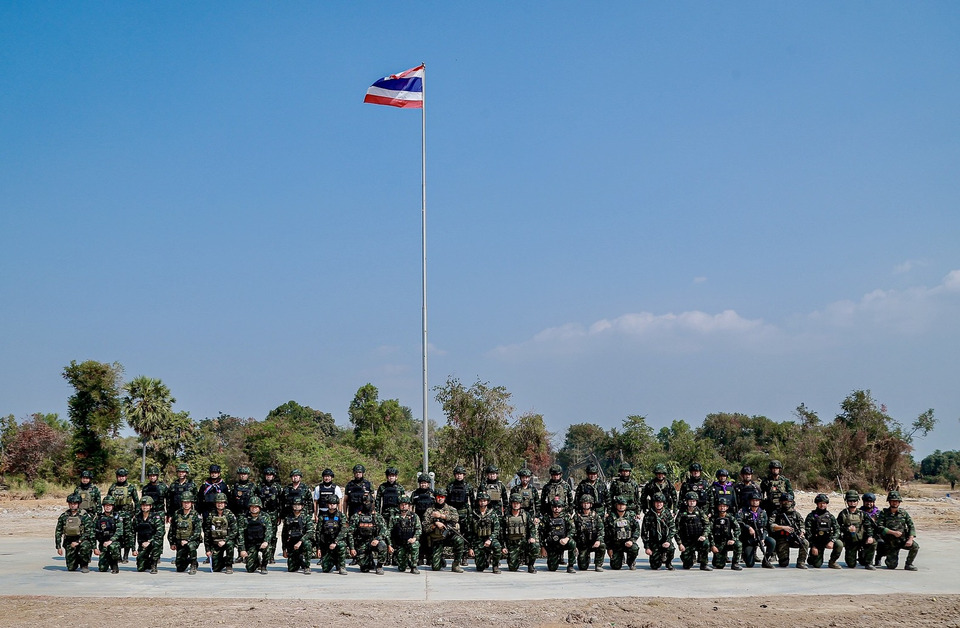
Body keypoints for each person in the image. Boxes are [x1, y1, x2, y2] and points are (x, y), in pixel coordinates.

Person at [422, 488, 464, 572]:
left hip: (449, 537)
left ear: (445, 498)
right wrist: (435, 525)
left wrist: (442, 516)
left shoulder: (451, 509)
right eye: (438, 497)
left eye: (442, 497)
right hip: (437, 539)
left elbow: (456, 518)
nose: (440, 499)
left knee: (459, 540)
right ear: (435, 498)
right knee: (435, 568)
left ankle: (456, 564)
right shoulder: (430, 510)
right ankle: (440, 559)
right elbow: (425, 527)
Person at [876, 490, 919, 571]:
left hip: (902, 540)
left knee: (915, 546)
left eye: (896, 501)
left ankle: (909, 564)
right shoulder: (884, 513)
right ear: (889, 502)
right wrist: (893, 532)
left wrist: (910, 539)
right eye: (892, 501)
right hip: (890, 543)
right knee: (891, 566)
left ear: (899, 502)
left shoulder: (903, 513)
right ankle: (883, 555)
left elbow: (911, 526)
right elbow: (879, 527)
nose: (894, 503)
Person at [348, 494, 388, 574]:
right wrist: (352, 548)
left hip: (373, 541)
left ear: (372, 503)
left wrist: (377, 539)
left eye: (367, 502)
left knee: (382, 545)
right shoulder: (356, 517)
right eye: (364, 502)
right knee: (364, 569)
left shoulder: (377, 516)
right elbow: (350, 533)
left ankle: (379, 566)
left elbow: (384, 530)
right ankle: (369, 561)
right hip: (361, 544)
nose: (365, 504)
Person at [836, 490, 876, 570]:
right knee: (851, 565)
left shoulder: (862, 514)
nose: (852, 503)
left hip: (861, 539)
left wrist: (870, 536)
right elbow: (837, 527)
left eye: (854, 501)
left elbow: (868, 526)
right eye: (850, 501)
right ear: (847, 501)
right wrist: (847, 529)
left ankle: (868, 563)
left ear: (857, 502)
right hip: (850, 541)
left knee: (873, 542)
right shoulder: (843, 514)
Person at [106, 467, 139, 564]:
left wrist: (136, 514)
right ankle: (118, 555)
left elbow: (136, 501)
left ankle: (126, 555)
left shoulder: (131, 487)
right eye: (119, 476)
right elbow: (108, 501)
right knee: (117, 534)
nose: (121, 478)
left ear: (126, 476)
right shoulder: (113, 487)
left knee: (128, 534)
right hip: (116, 514)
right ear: (117, 477)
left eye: (123, 476)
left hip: (128, 514)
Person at [735, 489, 775, 568]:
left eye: (757, 500)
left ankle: (766, 560)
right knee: (750, 564)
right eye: (753, 500)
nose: (755, 502)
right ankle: (746, 554)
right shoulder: (743, 511)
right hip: (748, 539)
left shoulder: (763, 513)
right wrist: (748, 527)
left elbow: (765, 528)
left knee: (772, 541)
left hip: (759, 536)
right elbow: (738, 521)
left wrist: (763, 538)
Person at [501, 493, 539, 573]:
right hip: (512, 544)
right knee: (513, 568)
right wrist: (503, 546)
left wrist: (532, 537)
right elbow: (502, 532)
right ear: (511, 503)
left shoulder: (526, 515)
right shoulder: (506, 516)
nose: (515, 505)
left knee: (535, 546)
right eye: (514, 503)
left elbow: (531, 528)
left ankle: (531, 565)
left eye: (517, 503)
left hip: (524, 542)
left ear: (520, 504)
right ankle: (518, 559)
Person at [55, 493, 94, 573]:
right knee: (71, 568)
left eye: (75, 503)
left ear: (78, 504)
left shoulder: (84, 516)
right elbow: (58, 531)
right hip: (69, 541)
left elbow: (88, 531)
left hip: (82, 540)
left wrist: (78, 541)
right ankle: (76, 560)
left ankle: (84, 564)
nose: (72, 505)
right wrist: (58, 547)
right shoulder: (64, 516)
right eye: (71, 503)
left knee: (85, 547)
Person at [769, 492, 809, 569]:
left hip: (794, 537)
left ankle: (801, 562)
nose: (787, 503)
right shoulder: (776, 513)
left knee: (805, 542)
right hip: (782, 538)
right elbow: (771, 525)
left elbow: (802, 525)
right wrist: (783, 527)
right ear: (781, 502)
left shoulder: (796, 514)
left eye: (789, 501)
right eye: (785, 501)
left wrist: (802, 532)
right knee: (784, 563)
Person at [675, 491, 712, 570]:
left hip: (698, 539)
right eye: (690, 501)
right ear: (687, 501)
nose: (692, 503)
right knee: (687, 566)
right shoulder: (681, 513)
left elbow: (707, 525)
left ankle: (704, 564)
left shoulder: (700, 512)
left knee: (706, 543)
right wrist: (680, 543)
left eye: (694, 501)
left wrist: (704, 535)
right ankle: (687, 556)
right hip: (687, 541)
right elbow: (676, 529)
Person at [804, 493, 843, 569]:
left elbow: (837, 529)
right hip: (817, 541)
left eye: (824, 503)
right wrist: (813, 546)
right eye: (820, 503)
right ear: (817, 504)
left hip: (828, 539)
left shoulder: (830, 516)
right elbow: (808, 532)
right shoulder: (811, 516)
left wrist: (832, 541)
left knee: (839, 544)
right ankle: (812, 556)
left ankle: (832, 562)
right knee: (817, 565)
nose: (822, 505)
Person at [539, 497, 577, 573]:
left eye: (559, 507)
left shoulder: (566, 517)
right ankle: (556, 558)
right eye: (555, 506)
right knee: (552, 568)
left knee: (572, 543)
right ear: (551, 507)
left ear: (562, 508)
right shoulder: (546, 518)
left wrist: (567, 538)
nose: (557, 509)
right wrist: (543, 547)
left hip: (563, 542)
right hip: (552, 544)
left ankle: (571, 565)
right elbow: (541, 533)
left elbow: (572, 529)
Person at [168, 492, 202, 574]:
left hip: (192, 540)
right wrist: (172, 543)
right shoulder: (177, 514)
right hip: (180, 541)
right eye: (184, 502)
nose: (186, 504)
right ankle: (189, 560)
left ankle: (193, 564)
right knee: (180, 568)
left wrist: (188, 540)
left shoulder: (195, 515)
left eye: (188, 502)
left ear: (191, 503)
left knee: (191, 546)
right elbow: (172, 529)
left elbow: (197, 531)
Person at [204, 493, 238, 573]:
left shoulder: (230, 514)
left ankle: (229, 565)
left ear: (225, 503)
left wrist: (225, 540)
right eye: (218, 502)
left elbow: (235, 530)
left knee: (230, 544)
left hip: (226, 540)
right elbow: (207, 533)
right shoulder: (211, 515)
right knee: (215, 568)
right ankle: (223, 561)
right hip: (215, 542)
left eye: (222, 502)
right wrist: (208, 549)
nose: (220, 504)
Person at [640, 492, 676, 570]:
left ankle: (668, 562)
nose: (658, 504)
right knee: (655, 566)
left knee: (671, 548)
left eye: (660, 502)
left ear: (663, 503)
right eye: (656, 502)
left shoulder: (667, 514)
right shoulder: (649, 515)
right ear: (653, 503)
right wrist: (647, 547)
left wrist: (668, 541)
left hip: (665, 540)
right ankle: (658, 557)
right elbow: (644, 533)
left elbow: (673, 529)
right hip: (654, 542)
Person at [238, 496, 273, 574]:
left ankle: (264, 566)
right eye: (252, 507)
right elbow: (240, 534)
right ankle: (256, 560)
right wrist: (242, 549)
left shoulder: (265, 516)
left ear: (260, 507)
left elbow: (269, 530)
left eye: (256, 507)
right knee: (250, 569)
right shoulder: (244, 518)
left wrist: (266, 541)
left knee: (268, 548)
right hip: (251, 543)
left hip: (262, 542)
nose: (254, 509)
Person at [316, 494, 349, 575]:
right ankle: (333, 560)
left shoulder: (341, 516)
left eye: (334, 504)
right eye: (330, 504)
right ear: (327, 504)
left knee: (341, 545)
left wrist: (335, 542)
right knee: (325, 569)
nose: (332, 505)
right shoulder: (322, 516)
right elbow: (318, 532)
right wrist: (318, 548)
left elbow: (343, 530)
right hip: (326, 543)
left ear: (337, 505)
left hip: (337, 542)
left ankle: (341, 566)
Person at [468, 492, 501, 573]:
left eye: (484, 500)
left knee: (497, 546)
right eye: (480, 501)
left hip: (489, 538)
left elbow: (497, 529)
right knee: (480, 568)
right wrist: (470, 547)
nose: (482, 502)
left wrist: (490, 539)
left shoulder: (492, 514)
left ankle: (495, 566)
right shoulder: (473, 514)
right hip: (478, 540)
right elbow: (470, 532)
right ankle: (486, 558)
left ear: (488, 502)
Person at [388, 495, 422, 574]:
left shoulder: (414, 516)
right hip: (400, 544)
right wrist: (390, 545)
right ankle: (406, 562)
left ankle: (413, 566)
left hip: (410, 541)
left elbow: (418, 529)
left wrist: (414, 538)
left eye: (405, 504)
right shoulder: (394, 517)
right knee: (401, 568)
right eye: (402, 504)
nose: (403, 506)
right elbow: (389, 532)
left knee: (415, 545)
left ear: (409, 506)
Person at [281, 496, 315, 574]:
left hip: (303, 542)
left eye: (299, 505)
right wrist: (284, 549)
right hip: (292, 542)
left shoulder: (306, 517)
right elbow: (284, 534)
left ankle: (307, 566)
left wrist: (300, 541)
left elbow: (310, 532)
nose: (297, 507)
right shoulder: (288, 518)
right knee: (291, 569)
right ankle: (299, 560)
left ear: (302, 506)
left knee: (307, 544)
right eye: (295, 505)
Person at [605, 496, 640, 570]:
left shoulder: (631, 516)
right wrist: (609, 548)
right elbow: (607, 534)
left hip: (627, 543)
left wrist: (632, 540)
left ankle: (631, 562)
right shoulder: (611, 517)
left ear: (626, 506)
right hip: (616, 545)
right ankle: (619, 557)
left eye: (623, 505)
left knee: (634, 548)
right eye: (619, 505)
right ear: (616, 505)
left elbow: (637, 530)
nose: (621, 507)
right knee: (616, 567)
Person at [256, 467, 282, 562]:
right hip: (262, 513)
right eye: (267, 475)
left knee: (272, 535)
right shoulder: (260, 487)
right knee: (261, 533)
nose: (269, 477)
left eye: (270, 475)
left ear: (273, 476)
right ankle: (262, 554)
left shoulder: (277, 487)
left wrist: (280, 515)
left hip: (273, 513)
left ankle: (271, 556)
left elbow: (281, 502)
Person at [131, 496, 164, 574]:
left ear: (151, 506)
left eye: (147, 505)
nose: (145, 507)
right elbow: (132, 533)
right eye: (143, 505)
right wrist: (133, 549)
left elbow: (160, 532)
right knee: (140, 568)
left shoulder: (156, 517)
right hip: (142, 543)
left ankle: (154, 565)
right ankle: (148, 562)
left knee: (157, 543)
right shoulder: (137, 518)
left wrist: (149, 541)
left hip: (153, 542)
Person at [573, 495, 605, 571]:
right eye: (584, 503)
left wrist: (598, 540)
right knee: (582, 567)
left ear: (591, 504)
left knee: (602, 545)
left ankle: (598, 565)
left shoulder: (596, 516)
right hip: (582, 544)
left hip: (593, 543)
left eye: (588, 503)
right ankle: (586, 557)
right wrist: (575, 545)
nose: (586, 505)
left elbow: (601, 530)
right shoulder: (577, 516)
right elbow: (572, 530)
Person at [709, 496, 742, 570]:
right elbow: (709, 531)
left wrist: (734, 539)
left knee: (738, 544)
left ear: (727, 507)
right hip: (717, 542)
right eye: (720, 506)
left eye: (724, 506)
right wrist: (712, 545)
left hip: (728, 541)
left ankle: (735, 563)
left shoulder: (731, 518)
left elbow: (737, 529)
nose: (722, 508)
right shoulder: (714, 518)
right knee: (719, 565)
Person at [93, 495, 123, 573]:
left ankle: (114, 565)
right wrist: (95, 547)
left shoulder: (116, 517)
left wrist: (110, 541)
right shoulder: (99, 518)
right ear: (103, 506)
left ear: (113, 506)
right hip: (103, 543)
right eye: (106, 505)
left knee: (113, 547)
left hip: (113, 542)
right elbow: (93, 533)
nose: (108, 507)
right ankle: (108, 560)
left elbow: (119, 531)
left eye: (110, 505)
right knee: (102, 569)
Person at [410, 473, 435, 566]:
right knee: (419, 539)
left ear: (428, 484)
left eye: (425, 483)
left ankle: (429, 558)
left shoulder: (432, 493)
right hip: (418, 519)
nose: (423, 484)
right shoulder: (415, 493)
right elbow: (411, 506)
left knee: (430, 540)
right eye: (421, 483)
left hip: (429, 521)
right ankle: (420, 558)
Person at [860, 492, 883, 566]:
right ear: (864, 502)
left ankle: (878, 557)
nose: (869, 503)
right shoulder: (859, 512)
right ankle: (862, 555)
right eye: (867, 502)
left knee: (882, 543)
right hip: (862, 535)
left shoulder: (879, 514)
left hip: (876, 536)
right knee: (862, 562)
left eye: (871, 502)